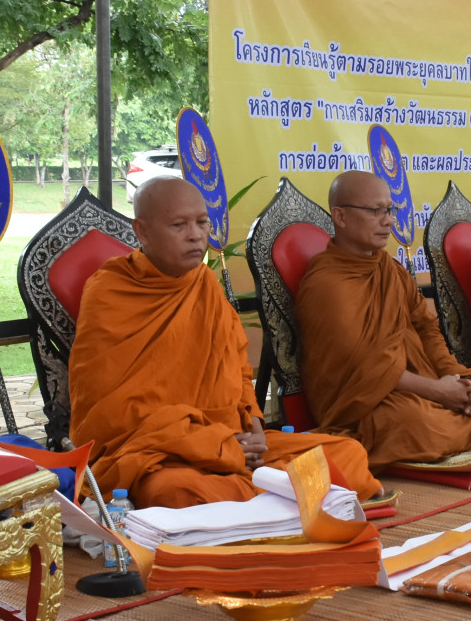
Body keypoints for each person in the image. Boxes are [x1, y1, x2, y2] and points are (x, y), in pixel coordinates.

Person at [67, 178, 380, 508]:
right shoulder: (110, 294)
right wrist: (214, 444)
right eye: (179, 225)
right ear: (142, 231)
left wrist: (256, 431)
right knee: (174, 492)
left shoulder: (204, 285)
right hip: (163, 456)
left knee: (347, 453)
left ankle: (256, 504)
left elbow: (237, 374)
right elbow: (113, 416)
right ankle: (284, 501)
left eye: (202, 222)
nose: (195, 235)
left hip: (236, 445)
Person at [296, 171, 471, 469]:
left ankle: (459, 425)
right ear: (341, 216)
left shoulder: (390, 269)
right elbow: (366, 368)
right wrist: (438, 392)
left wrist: (454, 378)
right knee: (416, 423)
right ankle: (465, 429)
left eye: (390, 210)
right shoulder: (326, 282)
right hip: (370, 404)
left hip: (426, 388)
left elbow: (426, 327)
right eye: (375, 211)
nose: (388, 220)